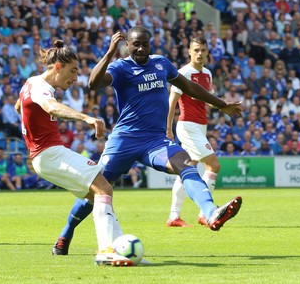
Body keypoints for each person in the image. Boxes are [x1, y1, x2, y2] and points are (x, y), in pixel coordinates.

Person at [60, 27, 242, 254]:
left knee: (186, 164)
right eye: (136, 44)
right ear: (128, 46)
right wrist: (109, 53)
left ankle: (210, 212)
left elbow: (190, 88)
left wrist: (221, 104)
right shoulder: (121, 67)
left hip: (155, 141)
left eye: (145, 44)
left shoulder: (161, 64)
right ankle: (66, 233)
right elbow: (93, 84)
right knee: (96, 190)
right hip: (124, 140)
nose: (141, 48)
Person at [14, 40, 133, 266]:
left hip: (44, 155)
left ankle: (120, 251)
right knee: (104, 187)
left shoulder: (30, 83)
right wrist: (86, 117)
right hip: (49, 153)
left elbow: (18, 107)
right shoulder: (41, 87)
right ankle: (107, 251)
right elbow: (51, 107)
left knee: (97, 195)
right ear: (57, 67)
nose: (76, 77)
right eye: (73, 70)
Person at [166, 36, 222, 228]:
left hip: (201, 126)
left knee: (187, 170)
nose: (199, 54)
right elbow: (172, 102)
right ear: (189, 51)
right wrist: (168, 129)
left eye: (203, 50)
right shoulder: (183, 73)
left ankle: (174, 216)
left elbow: (207, 100)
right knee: (214, 166)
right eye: (196, 50)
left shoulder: (207, 74)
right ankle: (205, 213)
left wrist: (223, 105)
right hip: (187, 125)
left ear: (207, 52)